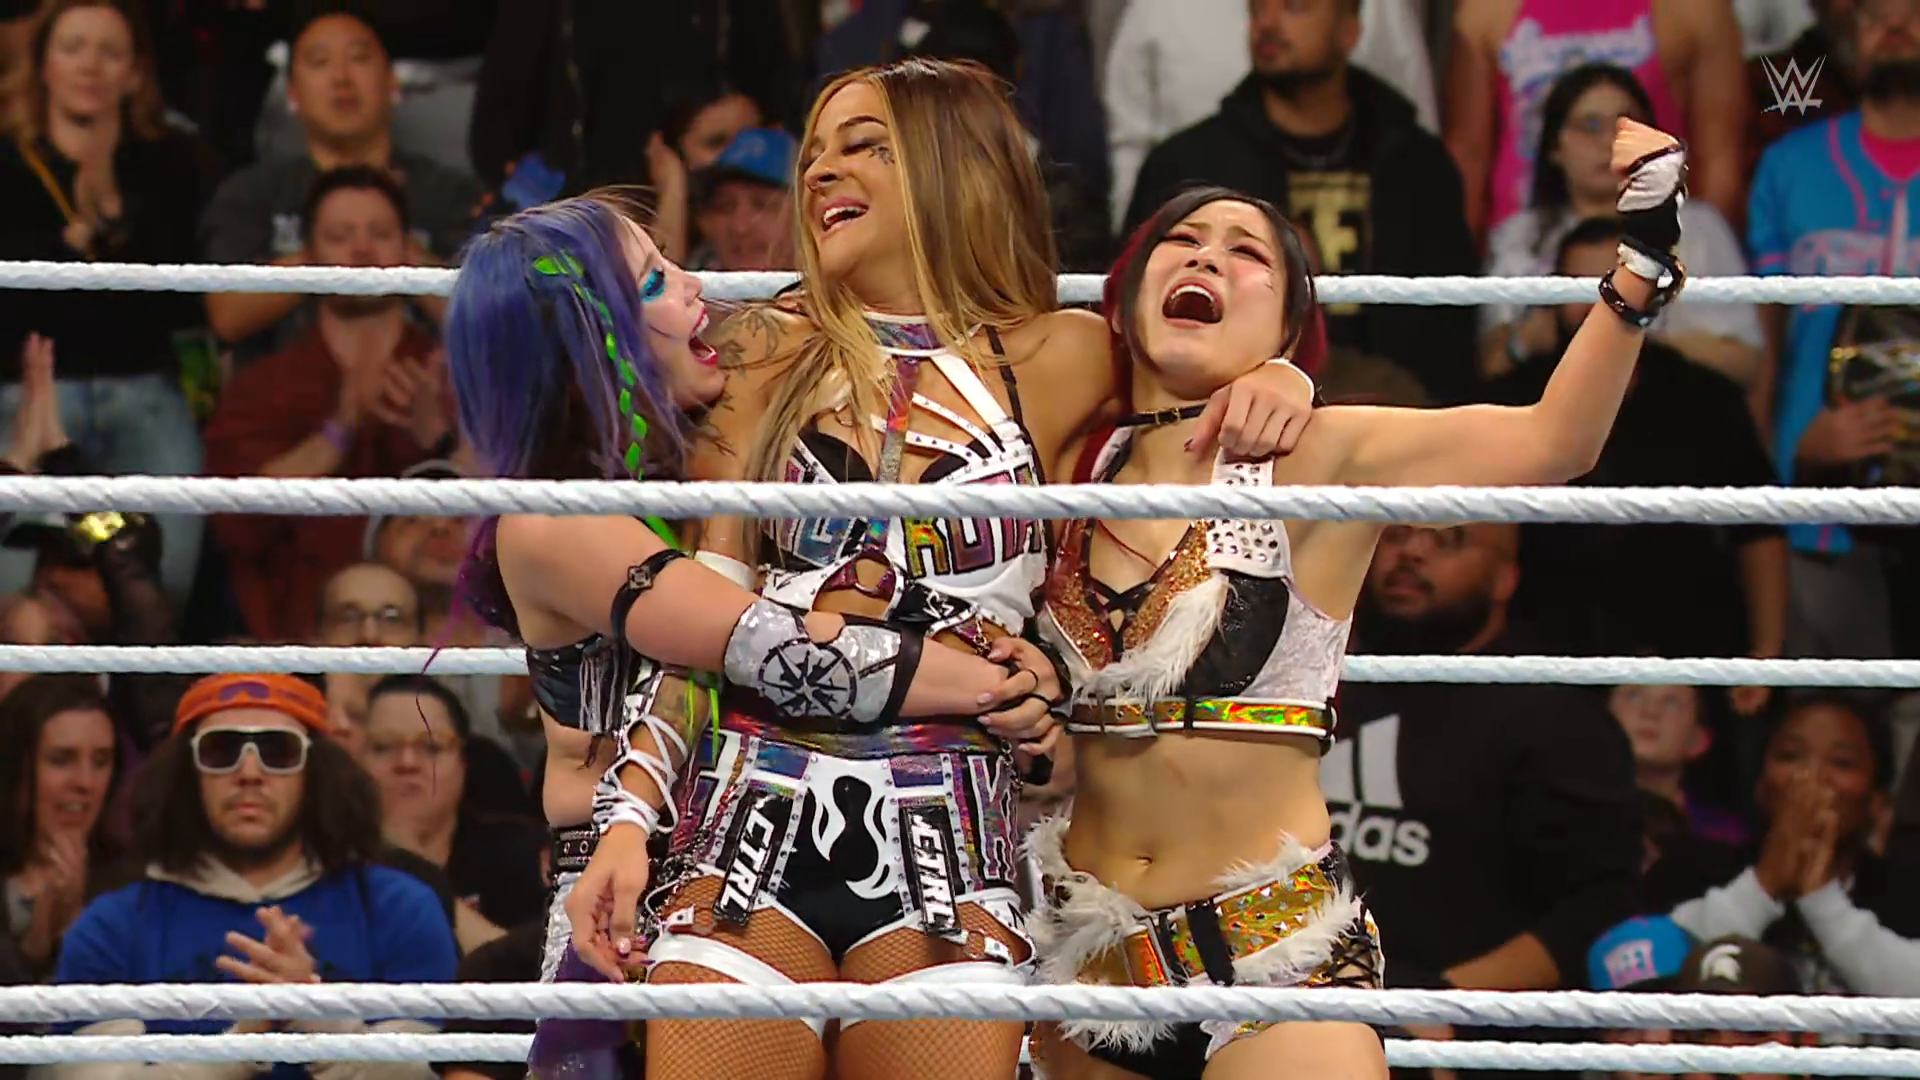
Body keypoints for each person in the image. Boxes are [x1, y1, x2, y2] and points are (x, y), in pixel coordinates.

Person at [564, 57, 1317, 1080]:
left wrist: (1286, 374)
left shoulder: (1062, 355)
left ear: (951, 164)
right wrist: (628, 823)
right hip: (744, 832)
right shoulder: (760, 349)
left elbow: (1193, 377)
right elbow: (706, 615)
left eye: (866, 145)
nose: (824, 170)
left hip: (953, 853)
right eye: (817, 152)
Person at [1026, 116, 1684, 1080]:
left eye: (1247, 252)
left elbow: (1556, 441)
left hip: (1273, 957)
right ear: (1123, 304)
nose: (1207, 255)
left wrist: (1642, 264)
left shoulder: (1320, 454)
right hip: (1085, 961)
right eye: (1183, 239)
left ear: (1289, 327)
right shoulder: (1067, 465)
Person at [442, 189, 1043, 1080]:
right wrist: (1001, 686)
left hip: (749, 838)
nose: (699, 288)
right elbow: (777, 652)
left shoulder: (687, 464)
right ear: (593, 340)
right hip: (629, 882)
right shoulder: (554, 518)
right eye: (655, 281)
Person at [48, 674, 456, 1080]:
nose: (249, 772)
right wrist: (239, 1049)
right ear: (186, 773)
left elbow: (429, 1075)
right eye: (220, 751)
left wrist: (317, 1018)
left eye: (278, 751)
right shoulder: (112, 926)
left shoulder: (400, 910)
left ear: (315, 771)